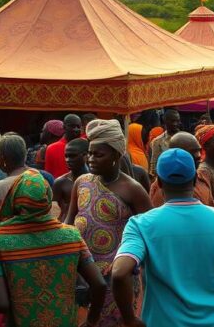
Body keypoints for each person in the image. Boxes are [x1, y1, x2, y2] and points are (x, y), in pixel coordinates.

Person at [112, 148, 214, 327]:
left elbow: (119, 273)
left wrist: (129, 319)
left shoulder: (140, 225)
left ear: (159, 182)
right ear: (194, 180)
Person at [66, 119, 152, 327]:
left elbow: (149, 234)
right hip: (82, 274)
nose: (91, 159)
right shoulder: (82, 183)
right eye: (90, 153)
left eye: (99, 154)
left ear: (116, 154)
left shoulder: (132, 189)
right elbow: (69, 224)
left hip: (117, 279)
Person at [0, 168, 107, 327]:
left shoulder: (1, 239)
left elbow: (2, 303)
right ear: (47, 198)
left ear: (15, 199)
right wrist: (91, 321)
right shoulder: (71, 236)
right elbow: (99, 284)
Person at [53, 137, 89, 219]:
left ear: (85, 155)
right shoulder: (60, 182)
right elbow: (55, 213)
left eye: (73, 156)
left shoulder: (96, 180)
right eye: (66, 156)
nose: (68, 160)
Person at [44, 113, 82, 179]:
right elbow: (48, 174)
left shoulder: (85, 145)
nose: (75, 129)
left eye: (78, 127)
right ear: (64, 127)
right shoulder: (51, 148)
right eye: (72, 126)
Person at [148, 108, 183, 175]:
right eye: (172, 121)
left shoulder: (185, 138)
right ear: (165, 121)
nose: (175, 124)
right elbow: (154, 168)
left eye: (177, 121)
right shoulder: (157, 142)